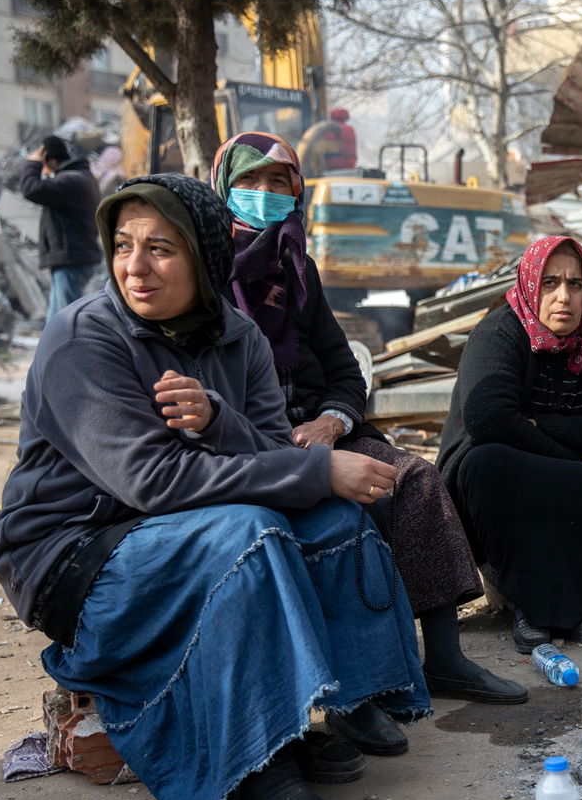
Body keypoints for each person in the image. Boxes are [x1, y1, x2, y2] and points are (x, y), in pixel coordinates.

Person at [0, 173, 430, 800]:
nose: (135, 266)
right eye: (124, 244)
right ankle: (259, 784)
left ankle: (306, 709)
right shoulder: (83, 337)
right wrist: (317, 467)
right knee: (248, 534)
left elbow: (261, 446)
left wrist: (221, 419)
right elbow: (154, 479)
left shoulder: (240, 338)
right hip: (76, 554)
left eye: (161, 248)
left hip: (176, 531)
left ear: (205, 258)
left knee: (332, 521)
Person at [210, 132, 526, 734]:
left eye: (280, 183)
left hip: (318, 432)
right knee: (342, 516)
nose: (266, 195)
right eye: (251, 181)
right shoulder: (205, 275)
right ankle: (356, 684)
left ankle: (447, 659)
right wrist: (280, 436)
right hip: (245, 442)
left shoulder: (298, 269)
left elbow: (344, 372)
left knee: (417, 480)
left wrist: (331, 421)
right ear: (224, 186)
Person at [437, 235, 582, 653]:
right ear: (530, 285)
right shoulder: (501, 331)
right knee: (490, 462)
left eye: (575, 284)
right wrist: (574, 457)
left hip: (554, 478)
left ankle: (570, 600)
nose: (564, 297)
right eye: (551, 283)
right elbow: (489, 420)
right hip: (504, 483)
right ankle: (534, 604)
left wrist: (539, 425)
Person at [20, 135, 103, 317]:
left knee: (64, 319)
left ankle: (67, 347)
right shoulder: (80, 178)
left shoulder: (70, 181)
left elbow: (32, 189)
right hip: (74, 257)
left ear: (51, 160)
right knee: (57, 320)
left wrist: (32, 164)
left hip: (71, 258)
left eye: (44, 164)